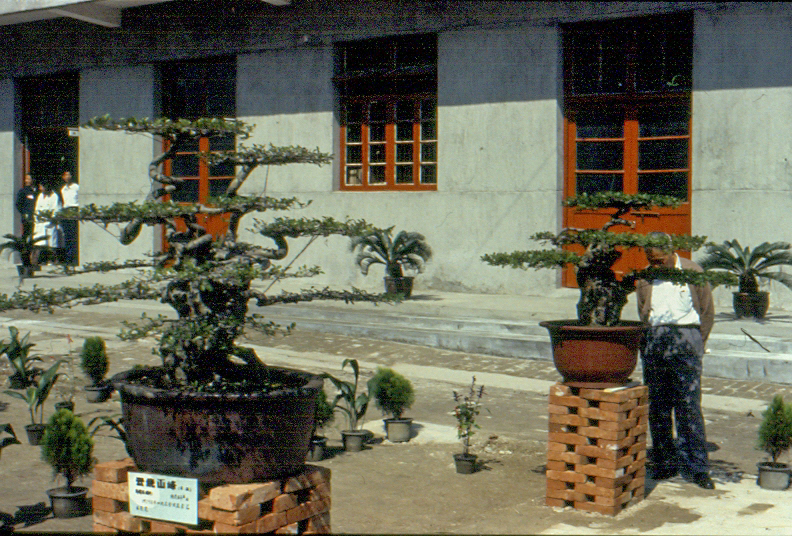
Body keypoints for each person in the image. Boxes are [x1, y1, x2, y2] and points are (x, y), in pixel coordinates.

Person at [635, 232, 716, 490]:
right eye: (652, 260)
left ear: (672, 253)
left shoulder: (692, 271)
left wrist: (696, 343)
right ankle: (664, 462)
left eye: (660, 260)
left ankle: (697, 467)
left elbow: (707, 311)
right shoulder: (646, 277)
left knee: (688, 405)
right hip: (655, 340)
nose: (656, 265)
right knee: (658, 406)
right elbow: (643, 310)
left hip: (686, 338)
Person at [31, 181, 63, 266]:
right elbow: (36, 209)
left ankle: (53, 261)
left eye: (41, 187)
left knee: (51, 244)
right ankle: (37, 262)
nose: (40, 189)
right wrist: (37, 218)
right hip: (40, 224)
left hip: (50, 224)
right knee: (39, 243)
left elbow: (57, 211)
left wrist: (50, 219)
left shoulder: (54, 196)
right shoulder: (40, 196)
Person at [59, 170, 79, 265]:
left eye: (69, 175)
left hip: (74, 210)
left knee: (74, 235)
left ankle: (74, 258)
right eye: (65, 175)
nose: (67, 177)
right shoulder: (63, 189)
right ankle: (68, 258)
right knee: (67, 235)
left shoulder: (76, 187)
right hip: (66, 211)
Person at [15, 173, 37, 239]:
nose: (27, 181)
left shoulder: (37, 191)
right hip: (27, 217)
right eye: (26, 179)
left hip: (36, 217)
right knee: (27, 233)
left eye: (29, 179)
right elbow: (18, 204)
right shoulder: (23, 191)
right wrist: (24, 213)